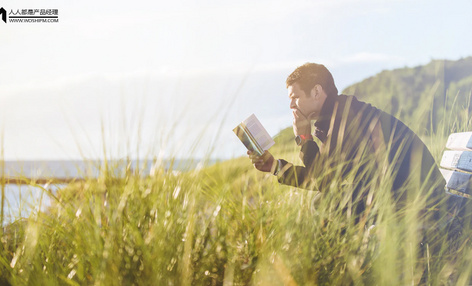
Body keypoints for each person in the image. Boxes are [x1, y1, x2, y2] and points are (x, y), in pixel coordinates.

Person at [247, 63, 464, 245]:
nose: (291, 105)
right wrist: (275, 166)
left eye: (294, 97)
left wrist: (304, 139)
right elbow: (327, 178)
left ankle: (349, 272)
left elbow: (323, 180)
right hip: (402, 195)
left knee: (325, 204)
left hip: (420, 203)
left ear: (316, 91)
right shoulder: (337, 116)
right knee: (326, 202)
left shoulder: (346, 119)